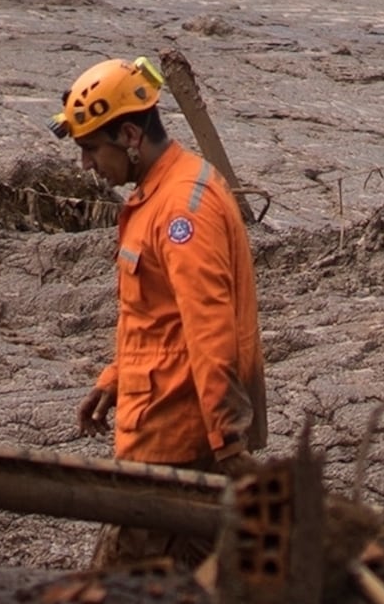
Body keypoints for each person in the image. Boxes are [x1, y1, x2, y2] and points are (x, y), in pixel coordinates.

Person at [50, 57, 263, 484]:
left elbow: (210, 330)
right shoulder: (163, 193)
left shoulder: (182, 209)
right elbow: (156, 317)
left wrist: (227, 440)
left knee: (137, 551)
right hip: (160, 429)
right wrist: (115, 378)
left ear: (130, 135)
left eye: (91, 149)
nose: (86, 166)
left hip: (173, 443)